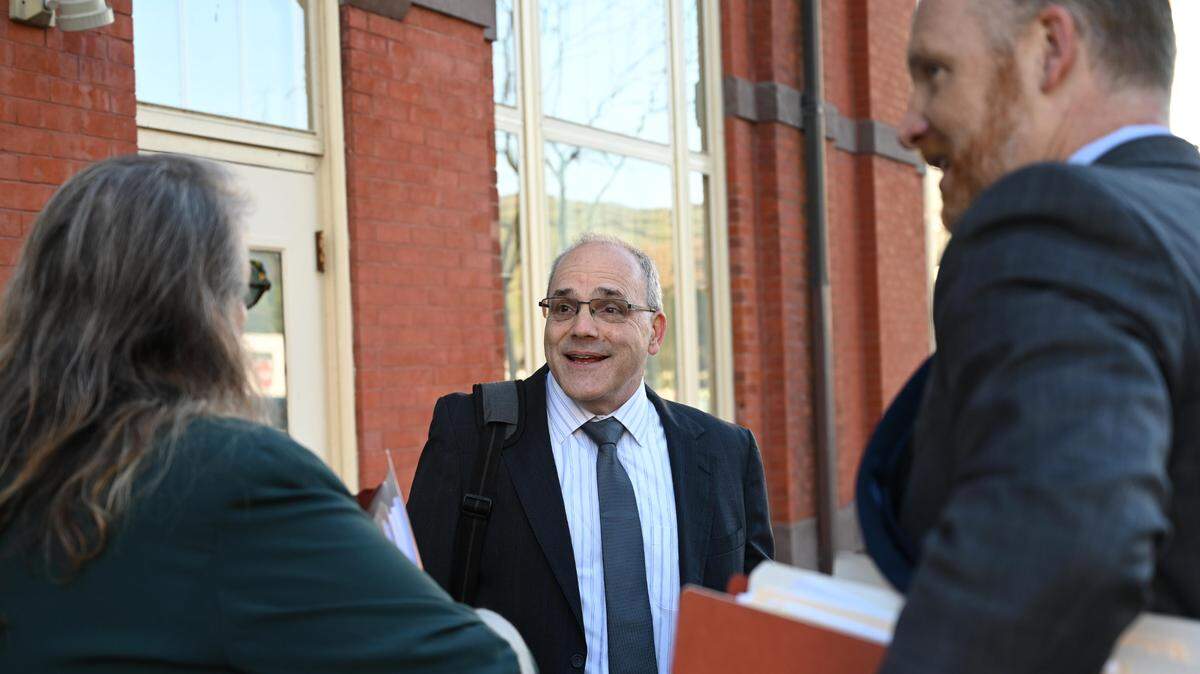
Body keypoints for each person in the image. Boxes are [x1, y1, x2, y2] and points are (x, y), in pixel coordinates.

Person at [0, 154, 519, 673]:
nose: (244, 315)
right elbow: (479, 662)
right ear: (206, 313)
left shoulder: (20, 460)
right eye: (247, 288)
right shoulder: (234, 476)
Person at [857, 1, 1200, 673]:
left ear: (1049, 48)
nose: (909, 124)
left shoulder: (1053, 222)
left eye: (935, 72)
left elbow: (1064, 540)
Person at [408, 234, 774, 674]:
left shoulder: (724, 451)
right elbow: (417, 612)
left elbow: (756, 615)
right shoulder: (470, 434)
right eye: (564, 308)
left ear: (654, 332)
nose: (582, 328)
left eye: (610, 308)